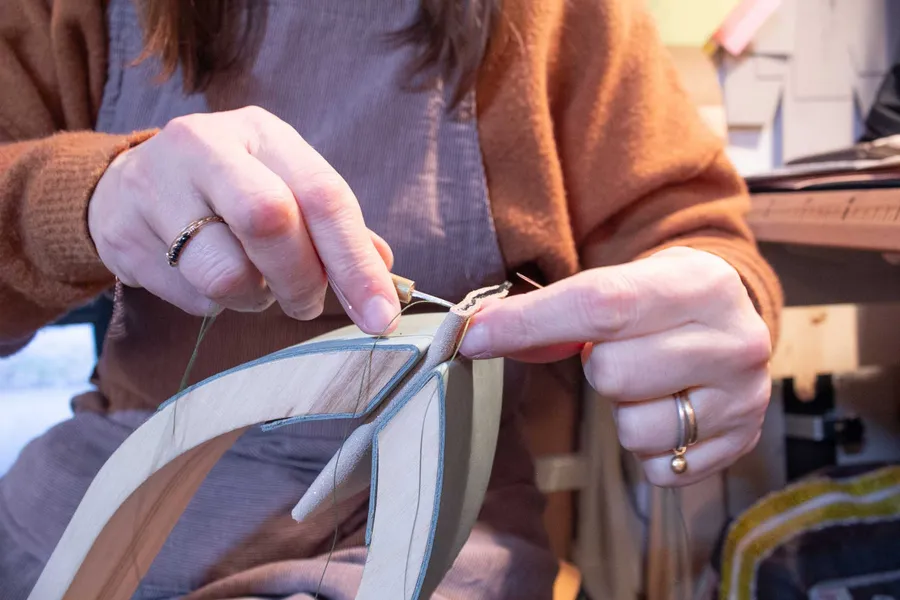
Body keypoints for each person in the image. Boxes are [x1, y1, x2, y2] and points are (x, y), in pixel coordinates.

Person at [0, 0, 782, 598]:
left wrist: (712, 303)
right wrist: (86, 198)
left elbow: (684, 229)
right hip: (97, 500)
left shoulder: (558, 18)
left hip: (436, 529)